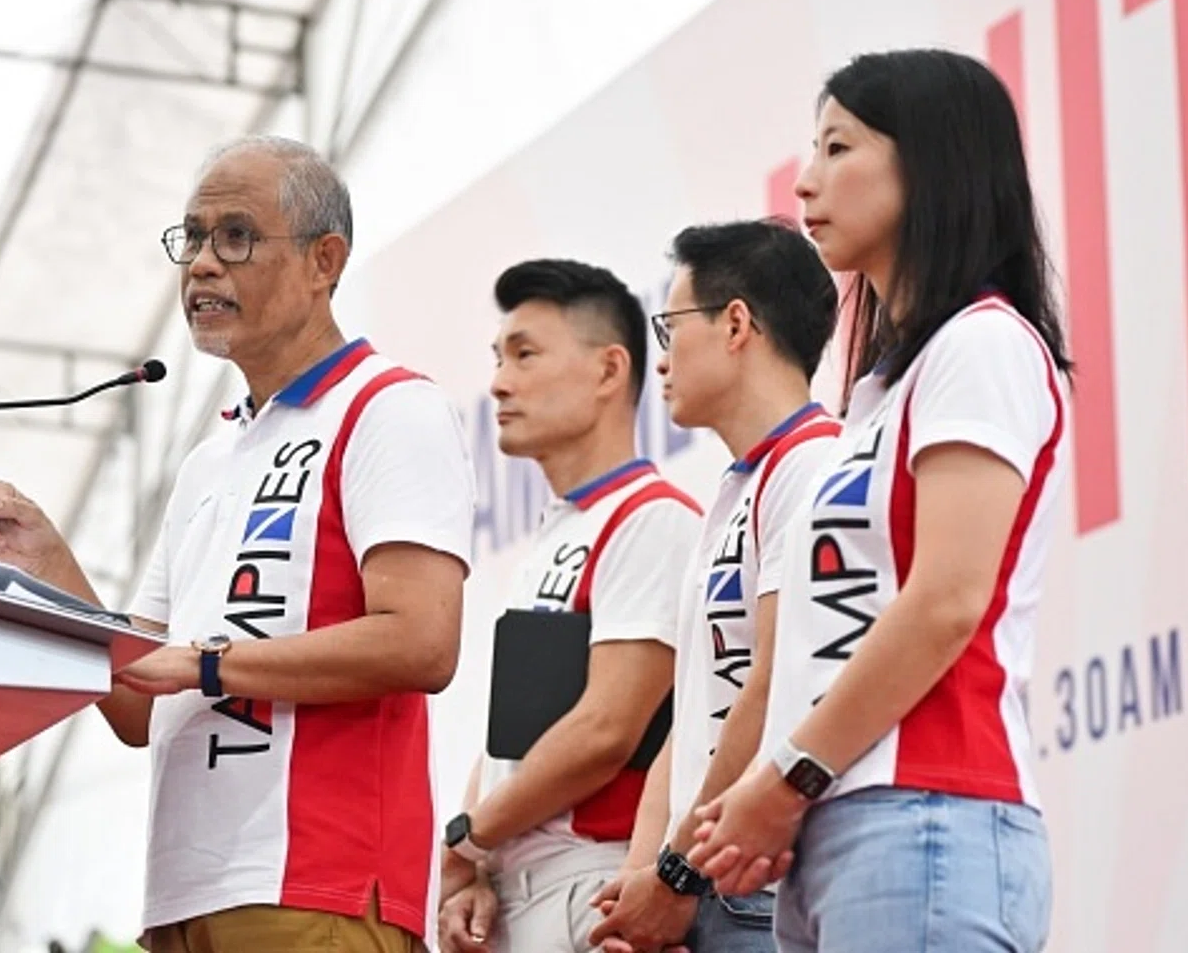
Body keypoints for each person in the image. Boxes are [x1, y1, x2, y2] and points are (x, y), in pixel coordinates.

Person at [0, 136, 475, 953]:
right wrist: (48, 573)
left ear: (323, 261)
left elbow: (422, 640)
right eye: (191, 238)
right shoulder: (209, 459)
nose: (201, 264)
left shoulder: (387, 410)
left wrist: (210, 663)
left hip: (318, 885)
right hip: (182, 895)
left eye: (235, 237)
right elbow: (137, 705)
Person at [687, 49, 1073, 953]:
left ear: (929, 164)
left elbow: (945, 602)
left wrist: (783, 780)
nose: (807, 181)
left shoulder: (983, 346)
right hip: (838, 827)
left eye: (838, 148)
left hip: (932, 815)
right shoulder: (873, 397)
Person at [587, 219, 840, 953]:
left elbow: (770, 690)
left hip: (754, 890)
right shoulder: (735, 490)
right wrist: (644, 880)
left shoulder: (815, 468)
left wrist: (675, 876)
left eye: (670, 328)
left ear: (736, 324)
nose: (658, 362)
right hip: (703, 888)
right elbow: (692, 719)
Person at [437, 259, 702, 953]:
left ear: (610, 371)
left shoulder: (655, 519)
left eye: (525, 355)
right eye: (498, 357)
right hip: (516, 895)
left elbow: (605, 732)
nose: (498, 382)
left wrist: (469, 840)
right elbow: (510, 744)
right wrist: (473, 870)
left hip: (592, 882)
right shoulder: (556, 535)